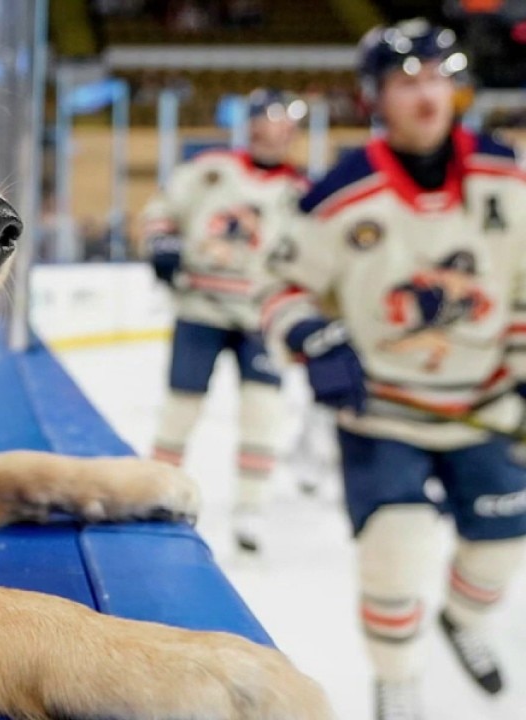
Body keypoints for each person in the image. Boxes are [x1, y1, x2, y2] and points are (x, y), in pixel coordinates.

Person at [261, 19, 526, 720]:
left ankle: (465, 622)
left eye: (439, 77)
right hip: (384, 413)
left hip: (488, 405)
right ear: (375, 96)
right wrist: (314, 336)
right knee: (395, 556)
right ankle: (398, 688)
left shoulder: (507, 173)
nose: (428, 94)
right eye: (409, 81)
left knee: (500, 548)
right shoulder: (340, 193)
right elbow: (280, 288)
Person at [143, 88, 308, 553]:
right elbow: (162, 210)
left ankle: (250, 508)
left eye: (282, 126)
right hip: (201, 307)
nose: (272, 134)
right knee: (181, 407)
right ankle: (157, 490)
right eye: (263, 123)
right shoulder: (211, 170)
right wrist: (162, 244)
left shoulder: (301, 192)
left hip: (262, 316)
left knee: (263, 414)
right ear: (251, 127)